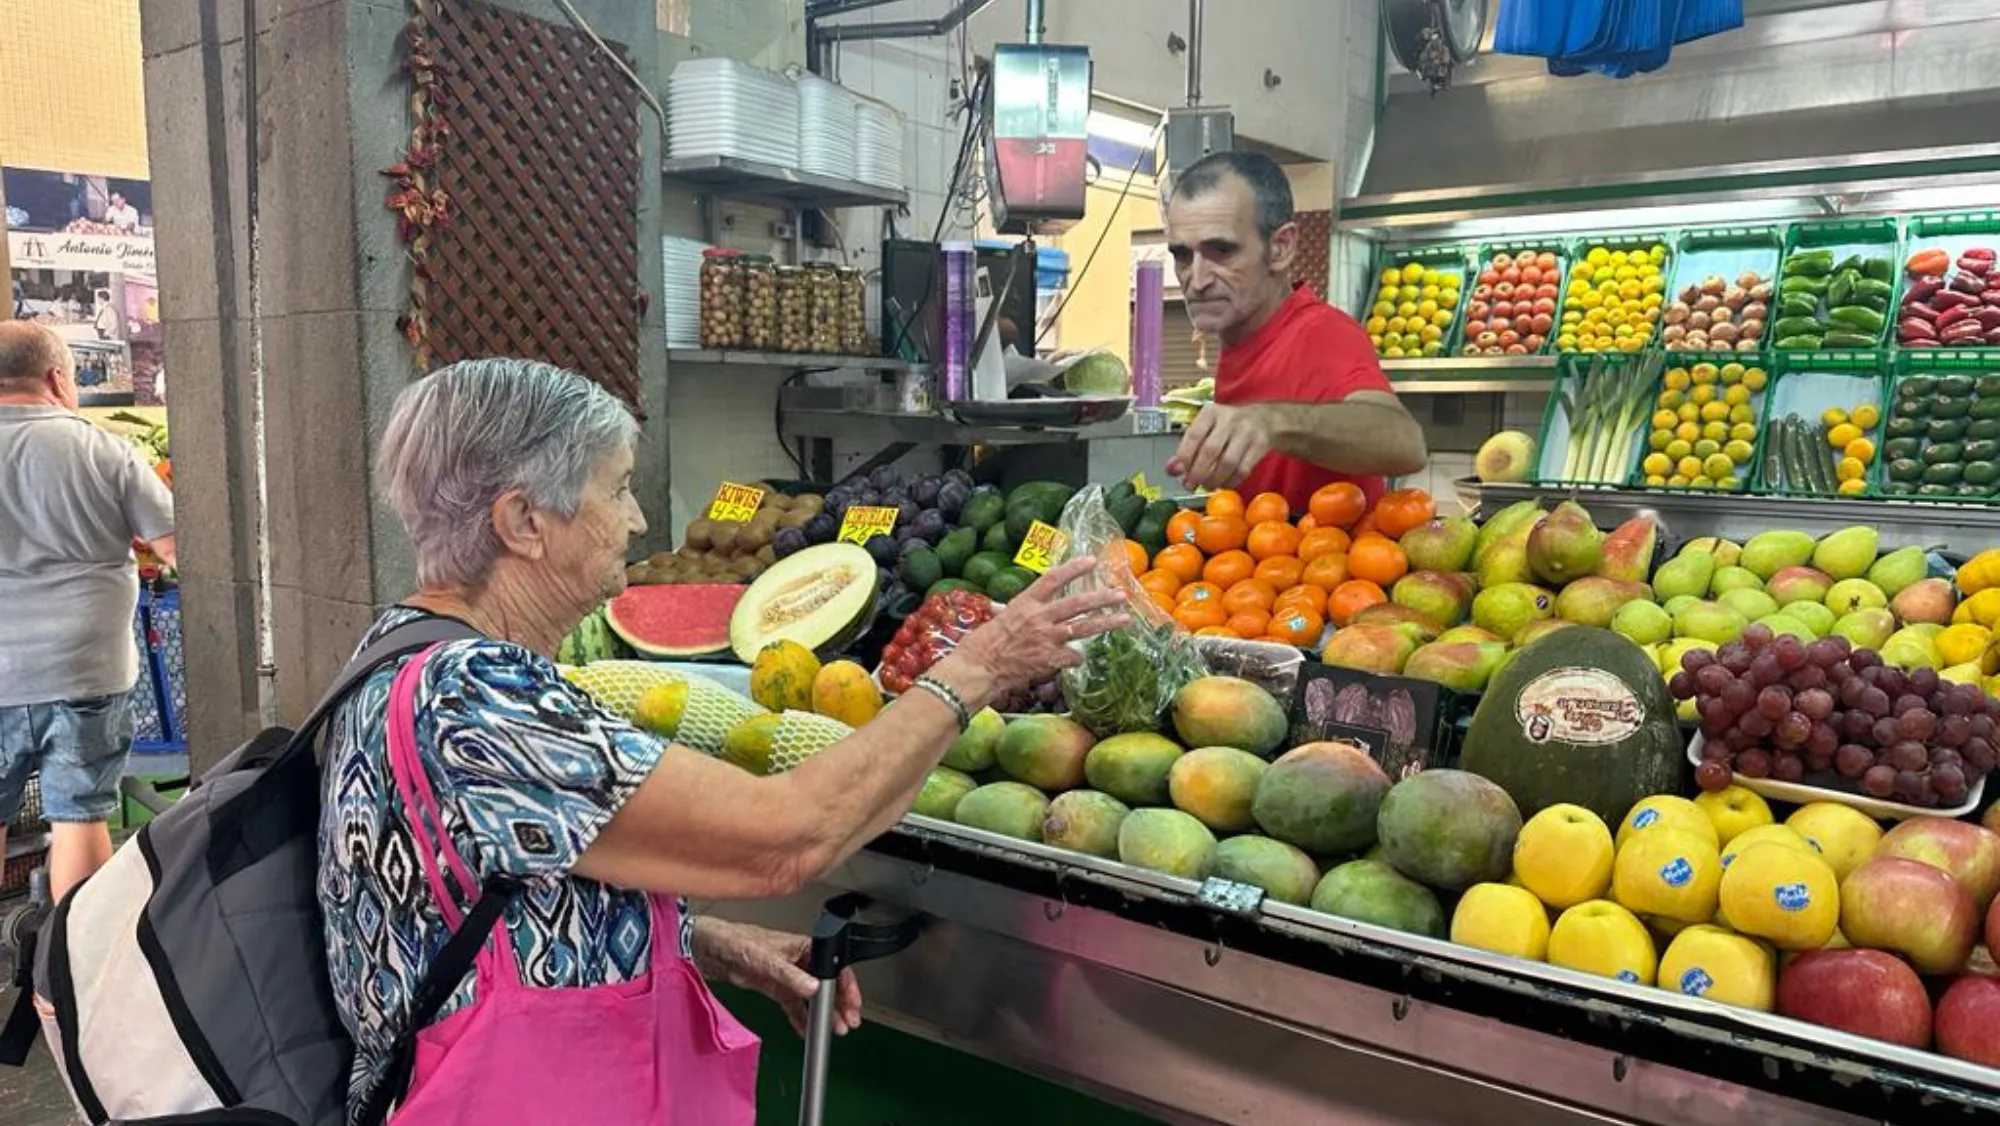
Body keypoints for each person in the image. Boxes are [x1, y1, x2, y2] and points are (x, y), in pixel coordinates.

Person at [319, 357, 1126, 1122]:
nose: (636, 519)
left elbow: (479, 899)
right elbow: (789, 837)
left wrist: (697, 942)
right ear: (525, 522)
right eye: (619, 490)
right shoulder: (480, 701)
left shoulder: (402, 648)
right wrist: (974, 670)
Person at [0, 320, 176, 905]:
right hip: (85, 668)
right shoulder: (103, 448)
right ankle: (69, 975)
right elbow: (175, 543)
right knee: (78, 816)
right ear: (56, 378)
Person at [1162, 150, 1428, 512]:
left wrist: (1272, 421)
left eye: (1221, 250)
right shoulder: (1241, 337)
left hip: (1333, 565)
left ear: (1281, 247)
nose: (1197, 279)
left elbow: (1406, 443)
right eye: (1181, 255)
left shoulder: (1322, 334)